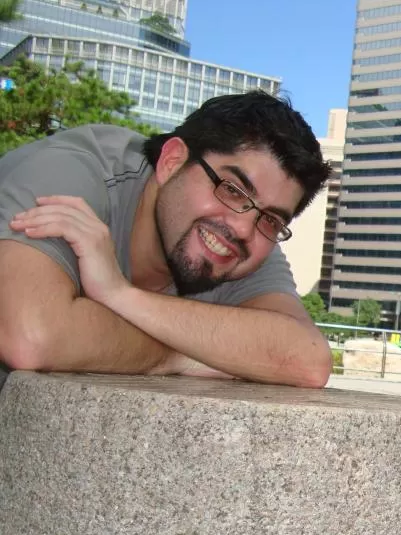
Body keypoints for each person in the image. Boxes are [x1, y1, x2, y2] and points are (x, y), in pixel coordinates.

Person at [0, 91, 333, 392]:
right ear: (172, 161)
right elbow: (30, 336)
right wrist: (183, 352)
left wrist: (120, 295)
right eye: (232, 189)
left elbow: (309, 361)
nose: (244, 229)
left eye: (272, 219)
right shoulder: (71, 173)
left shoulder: (247, 243)